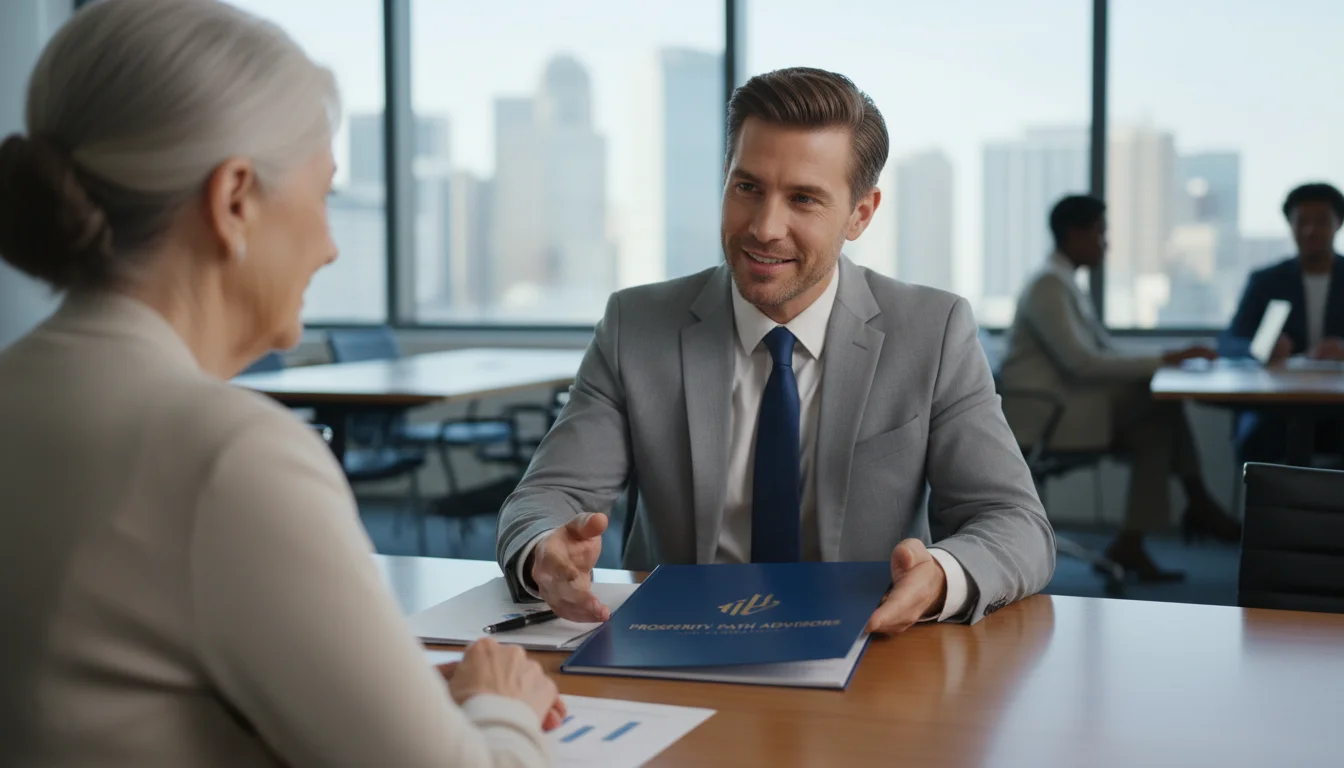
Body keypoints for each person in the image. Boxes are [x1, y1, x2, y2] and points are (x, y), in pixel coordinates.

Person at [0, 1, 561, 765]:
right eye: (324, 193)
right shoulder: (226, 457)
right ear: (234, 201)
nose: (331, 246)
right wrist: (503, 705)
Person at [496, 67, 1055, 632]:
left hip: (867, 651)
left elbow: (1014, 522)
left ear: (860, 213)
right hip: (678, 644)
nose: (764, 227)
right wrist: (546, 549)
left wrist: (941, 573)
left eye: (804, 199)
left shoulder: (933, 331)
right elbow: (549, 493)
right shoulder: (635, 326)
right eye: (748, 188)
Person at [999, 195, 1241, 581]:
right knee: (1159, 406)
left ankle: (1133, 542)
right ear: (1075, 234)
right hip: (1046, 417)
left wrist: (1168, 356)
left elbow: (1105, 352)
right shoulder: (1049, 286)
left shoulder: (1062, 282)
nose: (1105, 243)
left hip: (1068, 407)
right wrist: (1166, 360)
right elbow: (1082, 364)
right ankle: (1198, 504)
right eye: (1100, 232)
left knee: (1155, 428)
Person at [1220, 182, 1344, 463]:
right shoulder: (1266, 281)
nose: (1311, 230)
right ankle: (1270, 508)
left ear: (1339, 223)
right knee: (1266, 436)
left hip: (1339, 408)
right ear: (1290, 225)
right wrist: (1260, 347)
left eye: (1321, 221)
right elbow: (1229, 340)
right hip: (1274, 407)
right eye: (1302, 222)